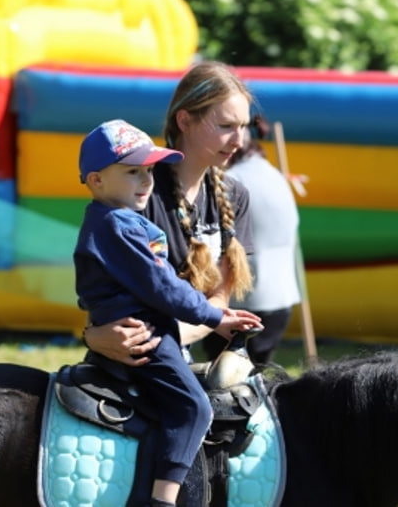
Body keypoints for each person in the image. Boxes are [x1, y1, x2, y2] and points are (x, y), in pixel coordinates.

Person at [75, 119, 261, 507]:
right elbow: (162, 287)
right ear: (96, 180)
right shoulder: (117, 226)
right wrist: (216, 317)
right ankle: (164, 499)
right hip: (146, 336)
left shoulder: (118, 221)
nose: (146, 181)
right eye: (132, 172)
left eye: (148, 171)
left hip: (149, 328)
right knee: (194, 407)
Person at [83, 61, 257, 364]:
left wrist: (165, 339)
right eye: (226, 126)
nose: (239, 141)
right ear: (185, 121)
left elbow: (218, 299)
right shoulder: (137, 189)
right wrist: (95, 335)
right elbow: (100, 287)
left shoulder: (236, 196)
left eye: (243, 127)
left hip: (168, 352)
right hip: (129, 360)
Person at [225, 115, 301, 365]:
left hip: (242, 304)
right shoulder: (276, 176)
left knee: (227, 386)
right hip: (280, 299)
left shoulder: (232, 180)